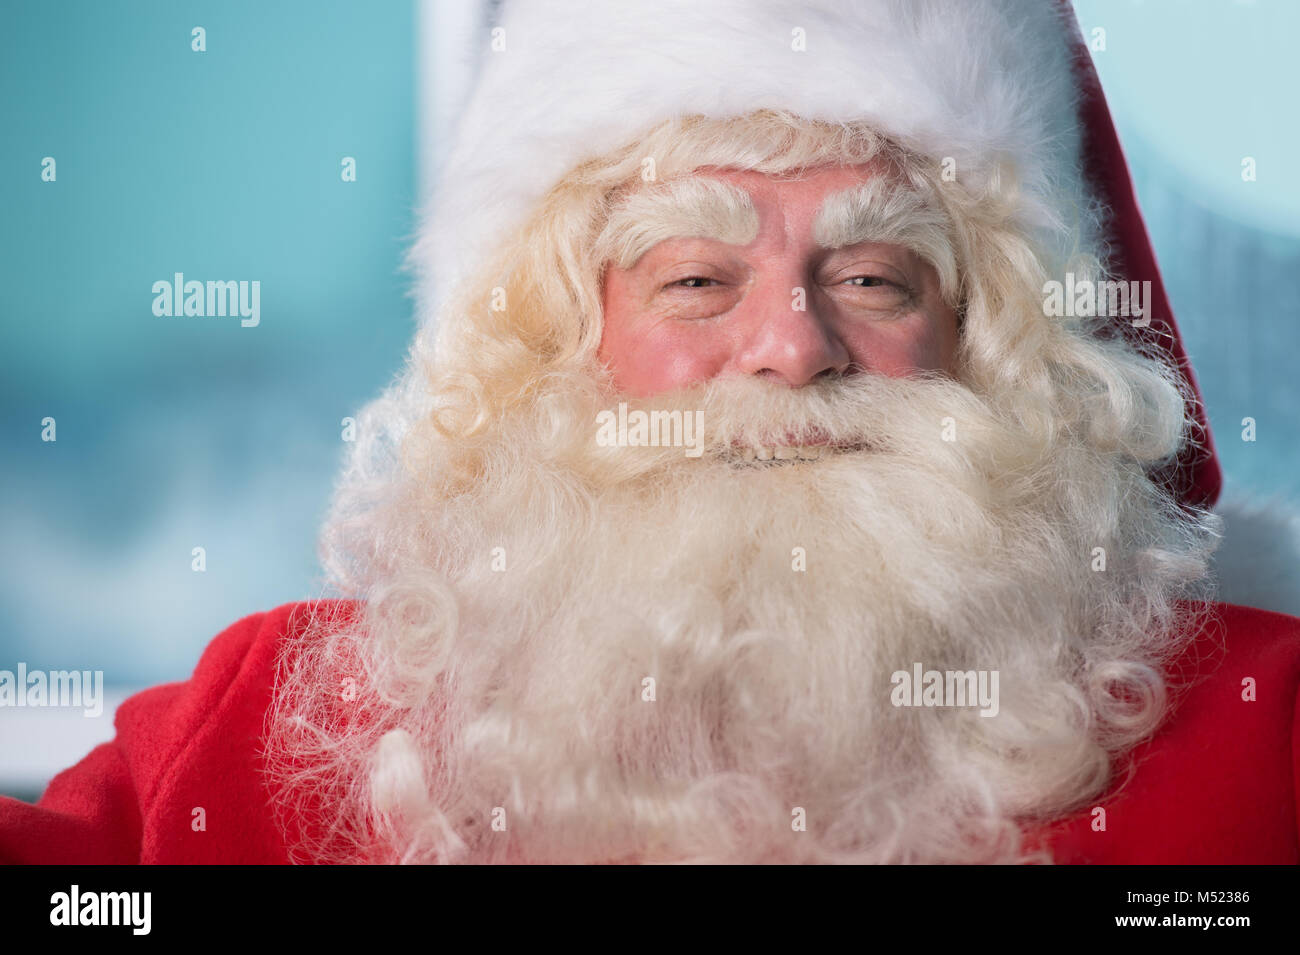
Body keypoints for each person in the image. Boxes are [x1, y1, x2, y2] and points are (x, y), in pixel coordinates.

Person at [4, 0, 1298, 865]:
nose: (793, 347)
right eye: (694, 280)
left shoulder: (1262, 729)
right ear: (561, 342)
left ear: (991, 351)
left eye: (875, 279)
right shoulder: (277, 725)